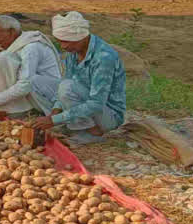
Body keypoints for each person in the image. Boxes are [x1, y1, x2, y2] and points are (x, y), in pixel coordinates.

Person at [27, 11, 126, 144]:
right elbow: (62, 87)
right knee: (35, 82)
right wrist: (54, 114)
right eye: (60, 42)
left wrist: (53, 120)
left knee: (67, 87)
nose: (63, 46)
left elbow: (96, 103)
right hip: (81, 99)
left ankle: (92, 131)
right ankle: (70, 123)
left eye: (67, 41)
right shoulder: (73, 53)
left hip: (107, 115)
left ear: (82, 37)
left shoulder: (104, 58)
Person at [0, 15, 62, 117]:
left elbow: (25, 86)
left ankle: (19, 109)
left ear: (11, 32)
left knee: (4, 57)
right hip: (29, 90)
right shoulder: (18, 42)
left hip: (46, 96)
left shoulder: (31, 48)